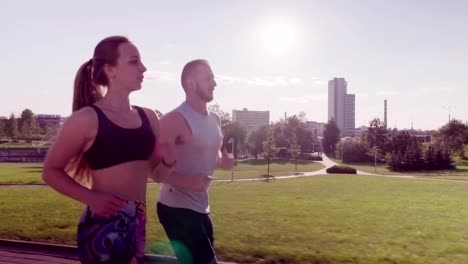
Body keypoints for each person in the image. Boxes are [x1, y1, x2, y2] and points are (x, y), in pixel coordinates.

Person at [42, 36, 161, 264]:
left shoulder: (149, 117)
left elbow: (155, 171)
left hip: (139, 223)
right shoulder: (86, 119)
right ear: (110, 70)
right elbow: (50, 171)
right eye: (134, 61)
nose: (143, 68)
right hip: (103, 226)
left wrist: (172, 157)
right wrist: (92, 198)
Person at [152, 59, 234, 264]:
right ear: (190, 83)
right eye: (208, 78)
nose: (214, 83)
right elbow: (153, 171)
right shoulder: (173, 121)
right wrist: (188, 182)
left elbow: (206, 158)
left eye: (214, 78)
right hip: (175, 207)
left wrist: (223, 162)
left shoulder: (215, 119)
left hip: (201, 206)